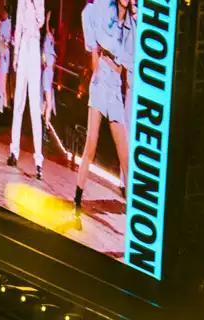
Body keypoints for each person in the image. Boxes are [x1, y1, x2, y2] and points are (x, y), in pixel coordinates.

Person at [74, 0, 132, 223]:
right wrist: (98, 60)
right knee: (91, 143)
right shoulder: (103, 11)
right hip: (100, 83)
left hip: (115, 88)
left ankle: (133, 203)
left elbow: (128, 61)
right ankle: (77, 199)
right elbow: (88, 13)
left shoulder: (131, 26)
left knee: (124, 152)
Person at [9, 0, 45, 177]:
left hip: (34, 45)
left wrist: (35, 4)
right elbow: (18, 25)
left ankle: (38, 161)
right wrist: (15, 54)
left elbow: (41, 22)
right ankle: (13, 152)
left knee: (34, 106)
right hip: (23, 44)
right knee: (18, 102)